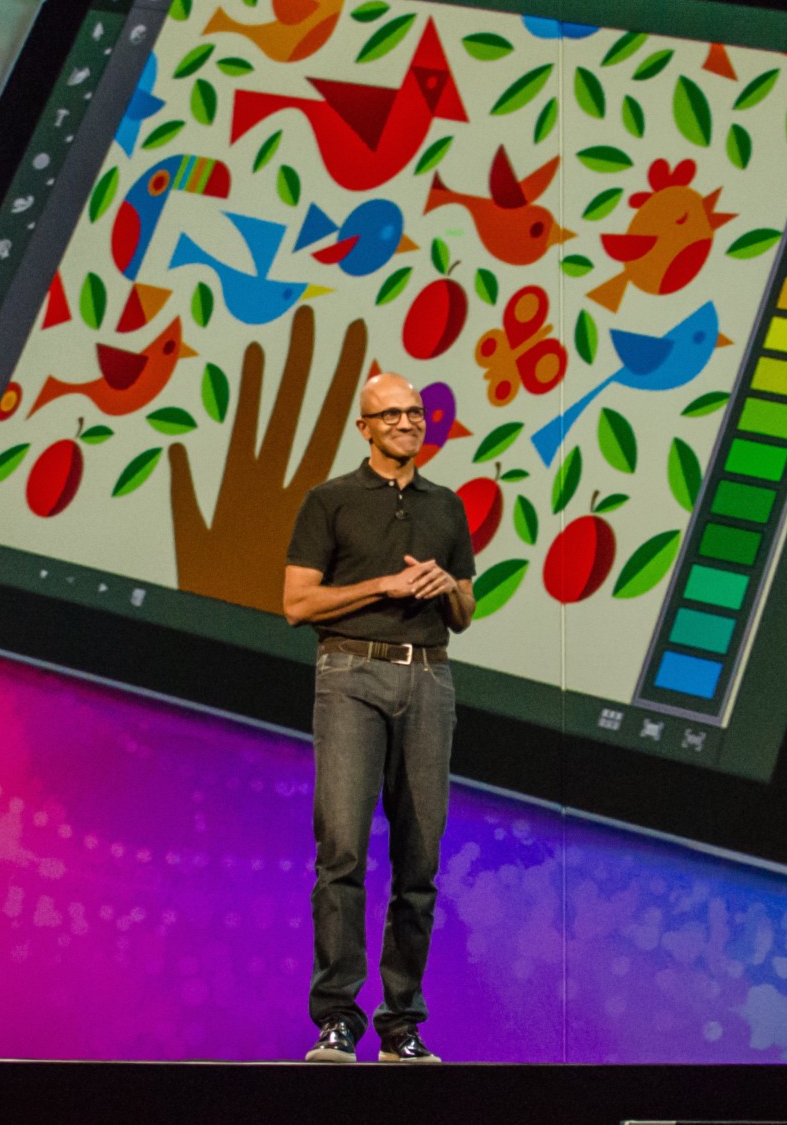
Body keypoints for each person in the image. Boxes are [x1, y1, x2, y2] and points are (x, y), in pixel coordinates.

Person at [282, 372, 476, 1063]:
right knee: (341, 848)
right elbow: (298, 603)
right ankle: (337, 1015)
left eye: (414, 412)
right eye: (389, 413)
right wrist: (385, 584)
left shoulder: (447, 506)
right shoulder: (329, 499)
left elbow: (466, 612)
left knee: (419, 861)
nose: (405, 421)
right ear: (363, 427)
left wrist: (446, 585)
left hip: (429, 676)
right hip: (350, 674)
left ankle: (403, 1024)